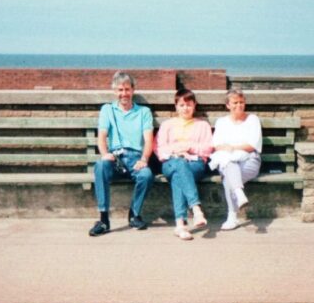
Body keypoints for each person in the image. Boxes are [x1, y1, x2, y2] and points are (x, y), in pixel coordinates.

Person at [88, 71, 154, 236]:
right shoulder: (107, 110)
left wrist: (144, 159)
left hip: (135, 158)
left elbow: (148, 141)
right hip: (115, 157)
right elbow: (102, 136)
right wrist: (104, 154)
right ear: (115, 91)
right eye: (120, 90)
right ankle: (103, 220)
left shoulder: (144, 112)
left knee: (146, 175)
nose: (123, 93)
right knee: (100, 166)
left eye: (126, 89)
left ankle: (134, 214)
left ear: (133, 90)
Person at [156, 89, 213, 240]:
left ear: (194, 105)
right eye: (181, 105)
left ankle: (180, 224)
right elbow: (160, 149)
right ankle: (196, 208)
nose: (185, 108)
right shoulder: (167, 125)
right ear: (176, 106)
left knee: (178, 176)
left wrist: (190, 148)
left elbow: (208, 149)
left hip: (195, 164)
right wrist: (175, 151)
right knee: (179, 164)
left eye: (188, 104)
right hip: (170, 162)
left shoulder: (203, 125)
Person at [209, 87, 262, 231]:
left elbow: (252, 145)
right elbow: (216, 144)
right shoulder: (221, 122)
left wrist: (232, 147)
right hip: (227, 160)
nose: (239, 105)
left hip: (249, 161)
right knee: (229, 166)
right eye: (235, 102)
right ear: (228, 105)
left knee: (229, 178)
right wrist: (227, 149)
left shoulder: (253, 119)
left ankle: (232, 217)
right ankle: (239, 194)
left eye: (241, 102)